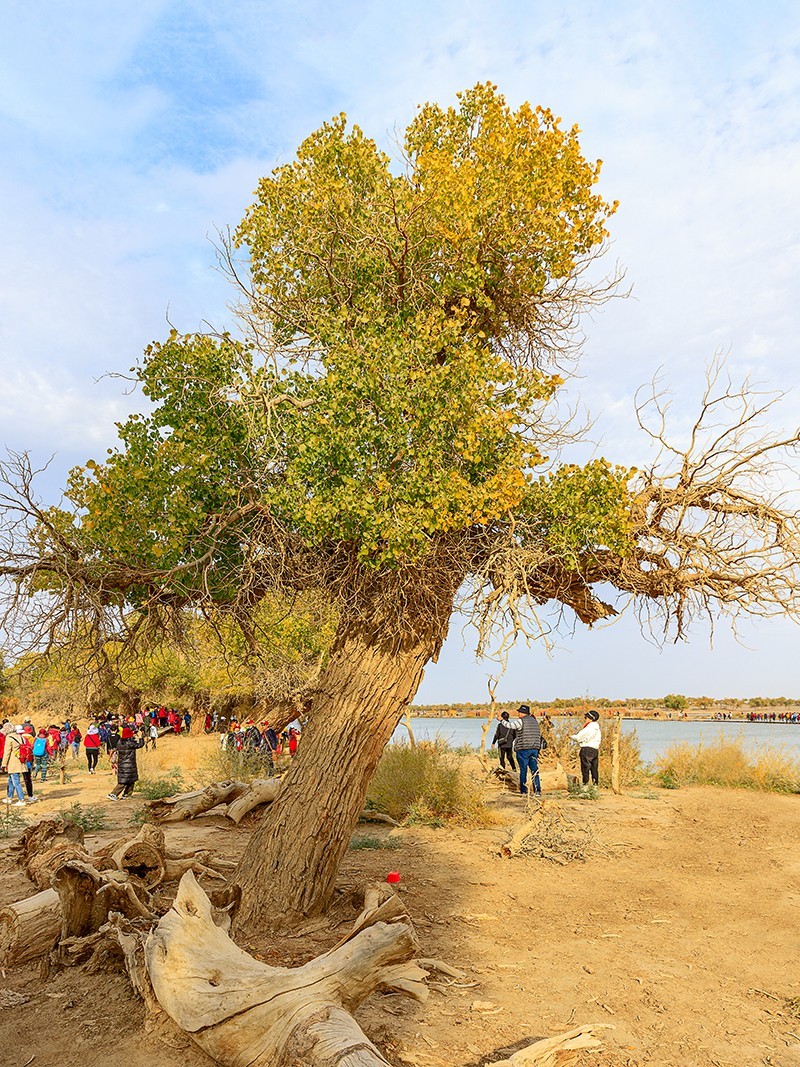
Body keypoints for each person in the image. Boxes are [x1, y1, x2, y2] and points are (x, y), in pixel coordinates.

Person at [107, 726, 145, 800]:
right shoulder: (130, 742)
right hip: (129, 764)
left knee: (130, 780)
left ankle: (127, 794)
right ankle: (113, 794)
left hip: (122, 764)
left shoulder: (120, 742)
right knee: (124, 781)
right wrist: (140, 737)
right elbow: (139, 745)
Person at [513, 704, 542, 797]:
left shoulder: (521, 721)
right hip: (534, 749)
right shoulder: (535, 722)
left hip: (523, 749)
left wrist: (501, 721)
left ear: (523, 713)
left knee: (523, 770)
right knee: (534, 770)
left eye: (519, 712)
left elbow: (510, 726)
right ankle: (537, 791)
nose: (518, 714)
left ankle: (523, 791)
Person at [571, 709, 601, 787]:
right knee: (594, 769)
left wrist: (571, 736)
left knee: (585, 769)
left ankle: (585, 787)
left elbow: (579, 737)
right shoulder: (597, 728)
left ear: (590, 718)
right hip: (595, 750)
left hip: (586, 749)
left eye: (586, 717)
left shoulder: (589, 727)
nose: (585, 719)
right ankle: (595, 786)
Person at [1, 724, 27, 806]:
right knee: (11, 780)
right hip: (21, 761)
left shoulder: (9, 738)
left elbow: (7, 752)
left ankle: (21, 799)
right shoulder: (20, 736)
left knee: (16, 781)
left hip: (13, 763)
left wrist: (3, 764)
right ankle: (9, 797)